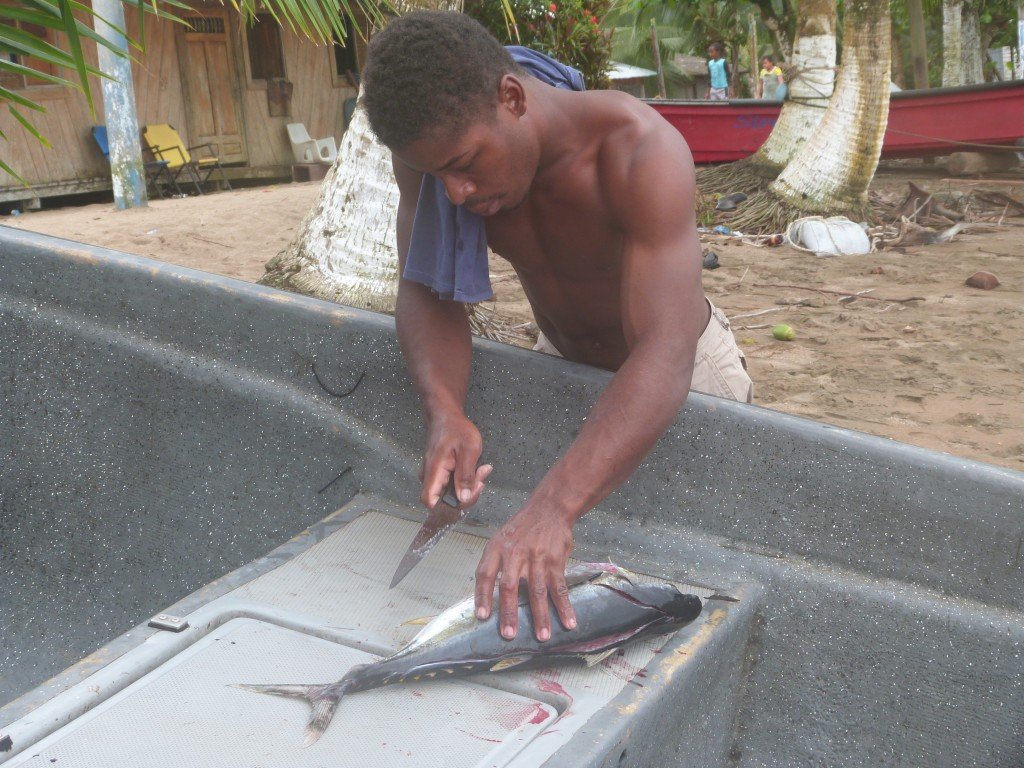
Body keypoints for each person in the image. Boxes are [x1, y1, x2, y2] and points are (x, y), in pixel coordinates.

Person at [362, 11, 752, 644]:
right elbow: (426, 290)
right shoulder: (435, 154)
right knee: (591, 567)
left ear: (511, 98)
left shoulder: (638, 151)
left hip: (680, 369)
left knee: (691, 575)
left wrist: (553, 505)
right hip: (562, 357)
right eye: (439, 176)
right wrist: (445, 411)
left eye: (464, 165)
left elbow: (665, 352)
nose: (455, 195)